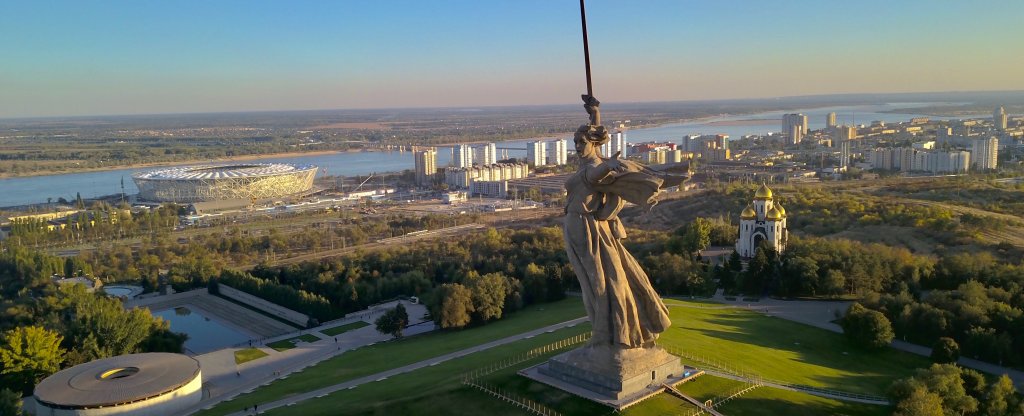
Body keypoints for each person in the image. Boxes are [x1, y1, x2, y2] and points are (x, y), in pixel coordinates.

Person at [563, 95, 681, 349]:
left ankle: (610, 333)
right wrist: (595, 113)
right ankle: (608, 332)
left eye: (581, 142)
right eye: (575, 142)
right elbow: (596, 144)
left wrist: (611, 165)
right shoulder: (588, 162)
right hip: (577, 228)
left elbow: (597, 173)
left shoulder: (594, 167)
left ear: (592, 144)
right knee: (591, 282)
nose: (577, 146)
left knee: (599, 282)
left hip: (587, 228)